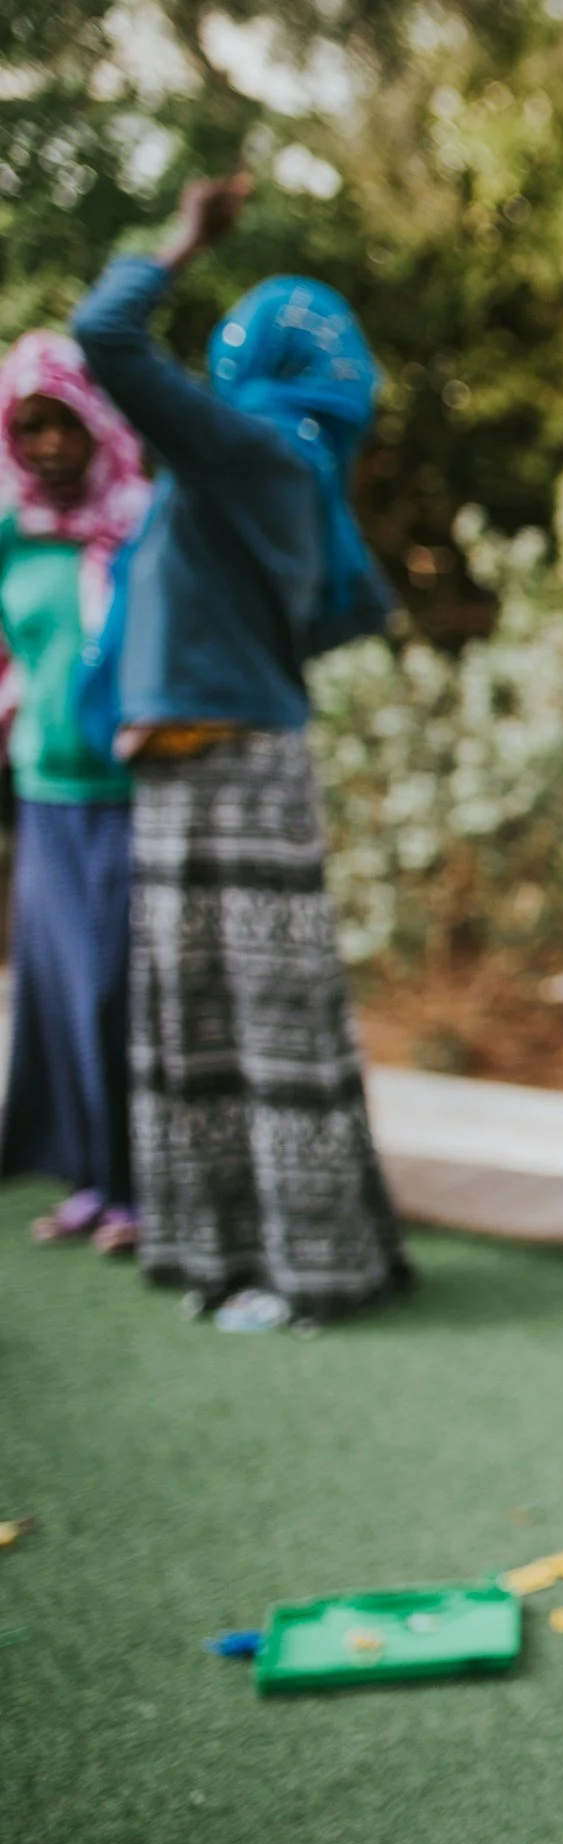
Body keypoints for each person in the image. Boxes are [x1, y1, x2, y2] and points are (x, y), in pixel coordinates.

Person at [71, 174, 410, 1328]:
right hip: (193, 764)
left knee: (264, 1031)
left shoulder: (253, 451)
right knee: (206, 1025)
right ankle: (232, 1253)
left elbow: (104, 337)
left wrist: (180, 241)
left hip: (233, 769)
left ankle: (311, 1271)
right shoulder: (273, 467)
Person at [0, 330, 154, 1253]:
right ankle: (91, 1182)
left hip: (130, 793)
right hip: (42, 791)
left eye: (64, 424)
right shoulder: (11, 535)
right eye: (32, 427)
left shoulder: (141, 521)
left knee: (116, 992)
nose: (51, 444)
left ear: (98, 423)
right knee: (55, 995)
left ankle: (141, 1185)